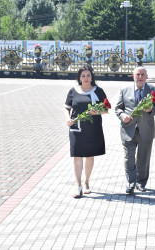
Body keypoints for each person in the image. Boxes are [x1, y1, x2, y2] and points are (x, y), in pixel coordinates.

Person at [115, 66, 155, 194]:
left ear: (146, 76)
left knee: (143, 158)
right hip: (128, 129)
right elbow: (118, 109)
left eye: (143, 74)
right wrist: (123, 116)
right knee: (129, 158)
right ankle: (130, 183)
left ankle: (141, 182)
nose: (140, 77)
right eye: (138, 74)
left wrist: (151, 110)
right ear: (133, 76)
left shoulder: (154, 90)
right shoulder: (124, 90)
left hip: (146, 130)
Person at [64, 66, 108, 198]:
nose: (86, 78)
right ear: (79, 77)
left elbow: (106, 110)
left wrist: (98, 112)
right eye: (83, 76)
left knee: (89, 156)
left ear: (92, 76)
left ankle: (86, 182)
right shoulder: (73, 91)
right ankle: (78, 186)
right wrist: (68, 119)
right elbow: (66, 108)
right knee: (77, 156)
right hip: (76, 128)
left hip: (93, 128)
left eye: (88, 75)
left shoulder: (98, 91)